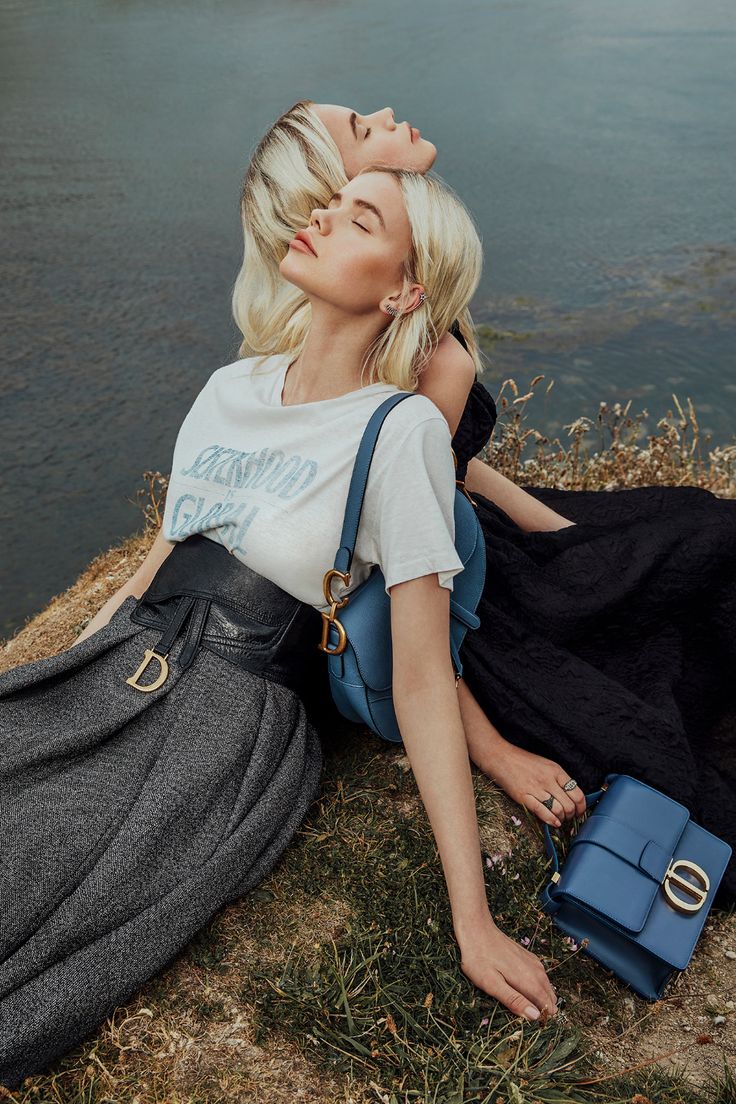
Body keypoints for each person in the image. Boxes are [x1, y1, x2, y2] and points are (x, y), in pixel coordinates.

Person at [0, 165, 559, 1090]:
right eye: (330, 203)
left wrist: (475, 917)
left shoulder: (400, 432)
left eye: (360, 218)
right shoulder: (232, 387)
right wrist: (67, 677)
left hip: (229, 716)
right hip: (131, 660)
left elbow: (420, 674)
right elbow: (154, 562)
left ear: (403, 290)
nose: (320, 217)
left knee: (33, 882)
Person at [234, 99, 736, 907]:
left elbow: (457, 473)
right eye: (364, 130)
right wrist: (497, 751)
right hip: (479, 602)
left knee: (687, 520)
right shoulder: (371, 350)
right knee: (704, 553)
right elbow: (392, 575)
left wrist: (573, 534)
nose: (388, 113)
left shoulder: (409, 306)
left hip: (485, 533)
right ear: (345, 189)